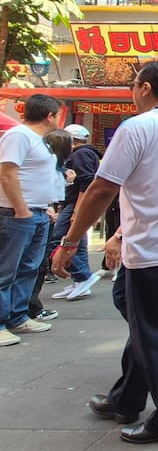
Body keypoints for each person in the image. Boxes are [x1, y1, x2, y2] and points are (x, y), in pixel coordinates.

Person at [51, 61, 158, 444]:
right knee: (152, 325)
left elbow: (101, 189)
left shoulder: (137, 127)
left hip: (153, 244)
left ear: (144, 88)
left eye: (133, 85)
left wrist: (71, 241)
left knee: (153, 331)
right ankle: (126, 399)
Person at [0, 94, 61, 347]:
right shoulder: (19, 135)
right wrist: (21, 208)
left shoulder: (38, 140)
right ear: (50, 116)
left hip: (37, 212)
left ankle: (18, 316)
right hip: (16, 214)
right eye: (57, 114)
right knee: (6, 270)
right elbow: (7, 173)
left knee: (29, 268)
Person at [48, 123, 102, 301]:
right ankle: (81, 281)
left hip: (74, 204)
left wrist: (78, 209)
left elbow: (86, 183)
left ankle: (82, 276)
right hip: (71, 204)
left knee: (58, 239)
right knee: (77, 242)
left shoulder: (81, 154)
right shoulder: (85, 153)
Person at [28, 128, 74, 322]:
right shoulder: (48, 164)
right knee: (30, 265)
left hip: (42, 213)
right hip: (37, 213)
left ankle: (26, 309)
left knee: (31, 265)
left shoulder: (54, 165)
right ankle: (28, 309)